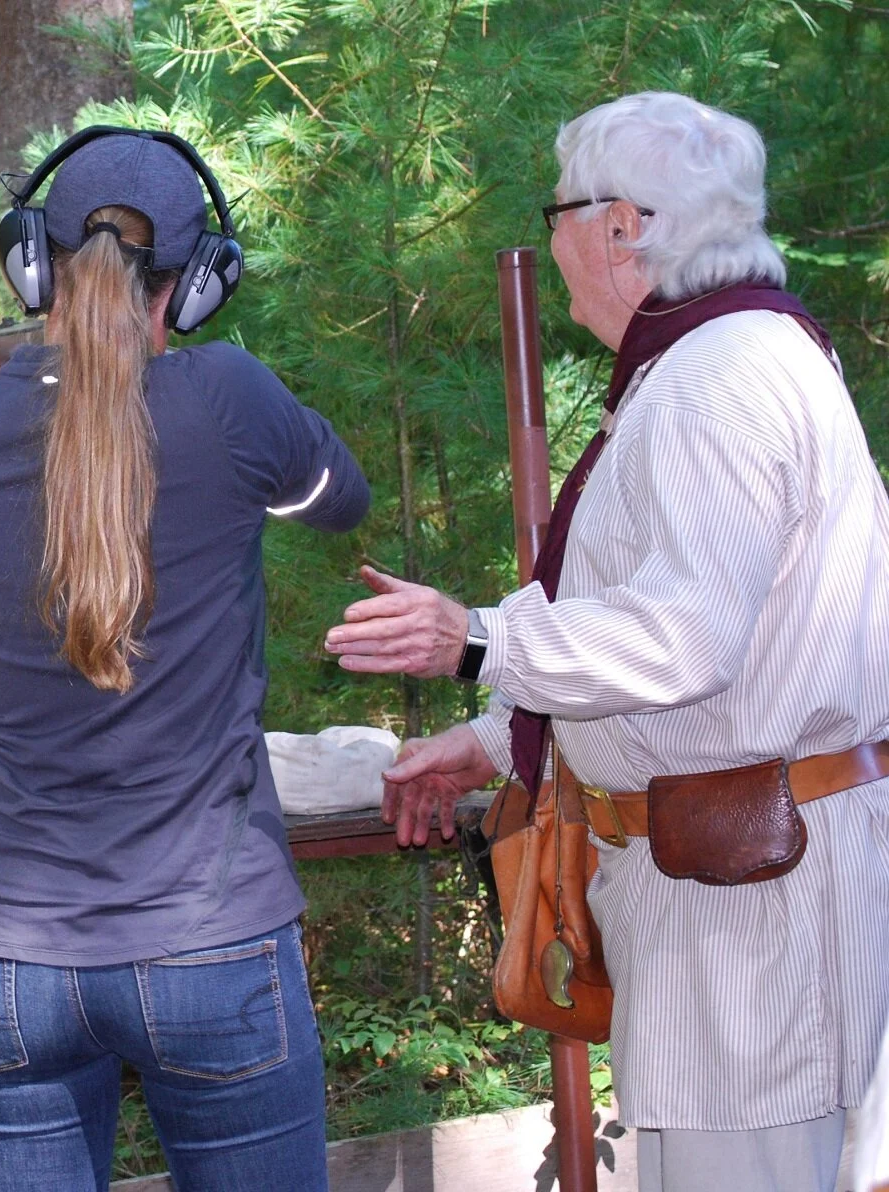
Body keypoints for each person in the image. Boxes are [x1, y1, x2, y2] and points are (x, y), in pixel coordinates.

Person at [323, 91, 889, 1192]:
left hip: (751, 915)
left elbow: (680, 638)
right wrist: (495, 738)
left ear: (624, 225)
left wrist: (478, 637)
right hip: (735, 898)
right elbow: (710, 622)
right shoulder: (731, 358)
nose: (553, 241)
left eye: (559, 211)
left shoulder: (710, 382)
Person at [0, 128, 369, 1192]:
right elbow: (337, 498)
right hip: (211, 942)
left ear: (28, 261)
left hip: (12, 969)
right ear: (194, 287)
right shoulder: (226, 400)